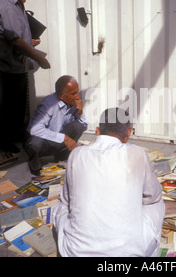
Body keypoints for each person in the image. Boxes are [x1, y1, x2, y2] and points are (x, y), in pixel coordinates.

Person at [52, 108, 165, 257]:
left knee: (61, 206)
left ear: (98, 131)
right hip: (128, 253)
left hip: (75, 252)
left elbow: (67, 200)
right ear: (129, 132)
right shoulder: (137, 153)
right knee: (157, 204)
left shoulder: (76, 154)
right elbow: (153, 197)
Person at [0, 0, 50, 153]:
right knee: (8, 105)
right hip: (7, 65)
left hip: (16, 64)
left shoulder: (17, 4)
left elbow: (15, 34)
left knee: (18, 104)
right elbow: (15, 40)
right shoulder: (7, 7)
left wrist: (29, 40)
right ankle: (4, 142)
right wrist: (38, 57)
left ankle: (16, 134)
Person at [24, 75, 87, 175]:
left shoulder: (72, 101)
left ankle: (62, 154)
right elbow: (34, 129)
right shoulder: (48, 104)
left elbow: (84, 125)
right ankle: (35, 165)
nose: (78, 96)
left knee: (78, 125)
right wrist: (64, 138)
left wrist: (80, 113)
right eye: (73, 93)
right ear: (61, 95)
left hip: (59, 139)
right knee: (34, 144)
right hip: (46, 141)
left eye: (77, 92)